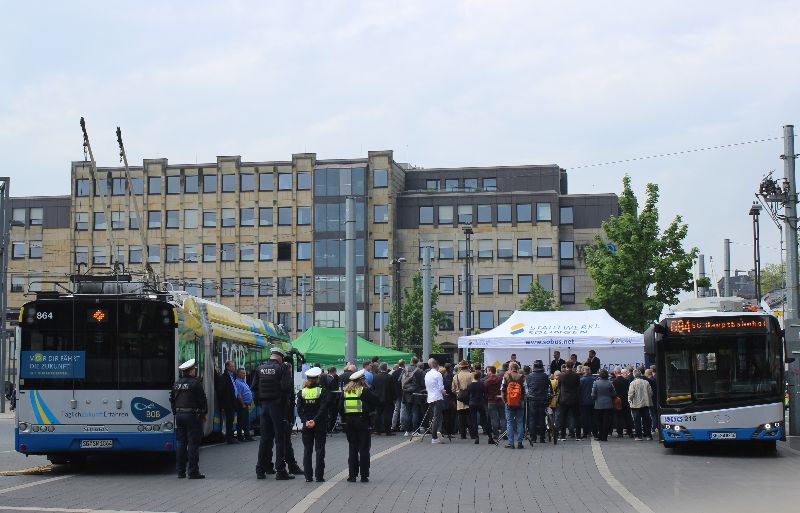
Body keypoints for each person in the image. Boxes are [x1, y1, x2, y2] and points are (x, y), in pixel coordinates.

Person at [252, 347, 294, 480]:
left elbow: (254, 387)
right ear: (281, 357)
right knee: (279, 439)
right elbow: (286, 387)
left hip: (264, 407)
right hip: (277, 408)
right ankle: (280, 470)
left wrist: (260, 402)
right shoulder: (283, 368)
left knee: (264, 439)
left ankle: (260, 470)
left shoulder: (260, 368)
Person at [170, 359, 207, 479]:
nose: (195, 371)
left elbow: (172, 399)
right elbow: (202, 400)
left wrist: (175, 412)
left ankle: (180, 472)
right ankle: (193, 472)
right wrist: (203, 413)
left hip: (179, 416)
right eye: (194, 369)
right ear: (190, 371)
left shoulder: (177, 383)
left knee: (181, 443)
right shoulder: (195, 383)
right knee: (193, 444)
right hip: (192, 416)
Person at [341, 369, 379, 482]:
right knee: (363, 449)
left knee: (352, 448)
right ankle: (364, 475)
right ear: (361, 380)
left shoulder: (345, 392)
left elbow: (339, 407)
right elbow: (376, 400)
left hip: (349, 422)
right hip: (362, 421)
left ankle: (352, 475)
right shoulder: (364, 391)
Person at [297, 367, 329, 482]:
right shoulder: (322, 391)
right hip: (319, 424)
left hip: (306, 424)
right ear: (318, 379)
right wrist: (315, 421)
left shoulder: (302, 392)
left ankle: (308, 477)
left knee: (307, 450)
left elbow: (300, 410)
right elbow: (323, 408)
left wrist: (306, 421)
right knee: (319, 450)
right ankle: (319, 476)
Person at [501, 362, 526, 449]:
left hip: (509, 402)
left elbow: (503, 389)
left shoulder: (506, 376)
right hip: (520, 402)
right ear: (517, 368)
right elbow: (526, 390)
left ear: (510, 368)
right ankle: (520, 443)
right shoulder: (522, 377)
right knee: (520, 422)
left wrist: (505, 401)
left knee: (510, 422)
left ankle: (511, 443)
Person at [526, 360, 551, 443]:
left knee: (532, 419)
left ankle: (533, 438)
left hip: (532, 399)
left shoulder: (529, 376)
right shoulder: (545, 376)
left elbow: (528, 386)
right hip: (542, 399)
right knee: (542, 419)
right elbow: (547, 386)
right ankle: (542, 438)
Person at [464, 370, 492, 444]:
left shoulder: (469, 385)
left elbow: (467, 395)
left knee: (474, 421)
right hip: (480, 403)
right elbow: (485, 393)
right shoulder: (482, 384)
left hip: (472, 403)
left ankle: (476, 438)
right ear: (480, 377)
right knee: (484, 420)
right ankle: (490, 437)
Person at [215, 360, 239, 444]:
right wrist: (222, 405)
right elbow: (220, 392)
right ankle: (229, 438)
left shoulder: (233, 376)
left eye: (234, 366)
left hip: (233, 402)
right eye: (232, 366)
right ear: (227, 367)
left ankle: (230, 436)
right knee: (229, 420)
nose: (234, 367)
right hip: (227, 403)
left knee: (231, 420)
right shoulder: (223, 377)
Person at [424, 358, 446, 444]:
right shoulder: (438, 374)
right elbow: (441, 388)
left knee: (435, 416)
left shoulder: (427, 374)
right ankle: (434, 437)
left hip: (430, 397)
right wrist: (444, 392)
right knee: (437, 417)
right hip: (437, 397)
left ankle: (438, 431)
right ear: (437, 365)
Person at [628, 368, 654, 441]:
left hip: (635, 405)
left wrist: (630, 401)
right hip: (645, 404)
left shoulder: (632, 383)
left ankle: (639, 436)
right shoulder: (646, 382)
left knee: (637, 421)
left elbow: (631, 394)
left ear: (634, 375)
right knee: (647, 420)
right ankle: (649, 435)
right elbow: (651, 393)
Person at [401, 357, 424, 434]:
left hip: (406, 393)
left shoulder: (405, 369)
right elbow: (423, 383)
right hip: (416, 394)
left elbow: (399, 380)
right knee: (415, 412)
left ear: (411, 361)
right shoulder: (419, 371)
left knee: (407, 413)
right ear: (417, 362)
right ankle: (415, 431)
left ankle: (407, 431)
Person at [557, 365, 581, 441]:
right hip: (574, 399)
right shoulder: (576, 375)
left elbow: (559, 386)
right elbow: (578, 386)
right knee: (576, 417)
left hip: (564, 399)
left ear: (566, 367)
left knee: (563, 418)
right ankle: (578, 436)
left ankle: (563, 436)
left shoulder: (561, 376)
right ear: (572, 366)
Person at [591, 369, 616, 441]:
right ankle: (604, 437)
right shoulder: (609, 383)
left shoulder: (595, 383)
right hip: (608, 404)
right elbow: (614, 393)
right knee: (606, 421)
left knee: (599, 421)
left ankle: (600, 435)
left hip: (598, 404)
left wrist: (594, 399)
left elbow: (593, 394)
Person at [372, 362, 396, 435]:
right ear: (386, 368)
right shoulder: (390, 377)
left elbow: (373, 388)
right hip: (388, 399)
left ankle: (377, 430)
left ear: (380, 368)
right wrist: (394, 398)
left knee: (377, 414)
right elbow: (393, 389)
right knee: (387, 415)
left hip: (377, 398)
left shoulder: (375, 377)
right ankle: (387, 431)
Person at [451, 360, 473, 440]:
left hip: (460, 399)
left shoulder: (455, 376)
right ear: (467, 366)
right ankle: (472, 434)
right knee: (470, 417)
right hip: (469, 399)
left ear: (460, 367)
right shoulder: (471, 375)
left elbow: (453, 389)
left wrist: (458, 393)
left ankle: (462, 435)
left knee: (461, 418)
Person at [612, 367, 634, 438]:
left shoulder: (614, 381)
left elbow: (613, 392)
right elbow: (628, 391)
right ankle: (630, 432)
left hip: (617, 401)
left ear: (615, 372)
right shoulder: (626, 380)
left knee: (619, 417)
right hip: (625, 401)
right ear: (620, 372)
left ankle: (620, 433)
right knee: (627, 417)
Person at [483, 366, 503, 442]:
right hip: (501, 399)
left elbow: (485, 390)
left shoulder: (487, 381)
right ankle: (504, 434)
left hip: (491, 401)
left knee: (494, 419)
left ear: (490, 371)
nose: (487, 373)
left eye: (487, 371)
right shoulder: (501, 379)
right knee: (503, 418)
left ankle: (496, 434)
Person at [234, 368, 255, 441]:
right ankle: (240, 437)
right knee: (241, 421)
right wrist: (243, 404)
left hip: (246, 404)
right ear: (238, 374)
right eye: (243, 373)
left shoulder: (243, 382)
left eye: (245, 373)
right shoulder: (237, 382)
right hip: (242, 404)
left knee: (245, 421)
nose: (245, 374)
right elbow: (238, 395)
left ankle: (247, 436)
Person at [578, 366, 597, 440]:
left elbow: (579, 391)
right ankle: (595, 434)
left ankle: (585, 433)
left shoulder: (581, 380)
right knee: (593, 419)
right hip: (593, 402)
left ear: (583, 371)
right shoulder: (595, 379)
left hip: (584, 402)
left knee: (584, 419)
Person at [390, 361, 404, 431]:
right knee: (402, 409)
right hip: (402, 393)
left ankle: (393, 425)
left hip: (396, 394)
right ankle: (402, 426)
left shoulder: (394, 373)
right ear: (404, 364)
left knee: (396, 410)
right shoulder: (404, 372)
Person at [644, 368, 658, 434]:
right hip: (655, 399)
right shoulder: (654, 378)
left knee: (653, 414)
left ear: (647, 374)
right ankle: (656, 427)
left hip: (652, 399)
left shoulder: (650, 380)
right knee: (654, 414)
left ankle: (654, 428)